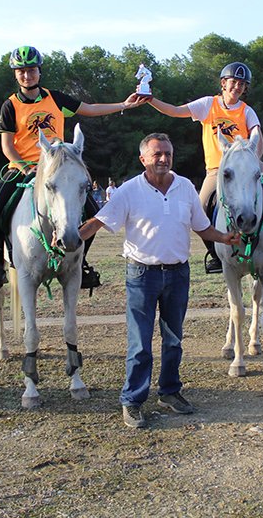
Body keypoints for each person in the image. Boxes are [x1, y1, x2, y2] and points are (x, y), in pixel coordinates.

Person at [79, 133, 239, 428]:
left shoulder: (185, 187)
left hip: (178, 274)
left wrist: (224, 237)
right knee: (140, 343)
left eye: (168, 153)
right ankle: (133, 400)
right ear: (143, 159)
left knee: (174, 339)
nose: (164, 159)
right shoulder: (128, 191)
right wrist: (72, 237)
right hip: (142, 274)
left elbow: (201, 227)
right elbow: (99, 221)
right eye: (157, 154)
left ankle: (169, 392)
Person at [0, 45, 146, 290]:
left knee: (92, 211)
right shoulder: (10, 106)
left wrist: (124, 105)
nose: (27, 75)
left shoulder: (55, 98)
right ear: (15, 74)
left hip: (57, 167)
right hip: (23, 169)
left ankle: (81, 262)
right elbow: (7, 147)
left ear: (39, 71)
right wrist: (26, 169)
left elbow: (90, 109)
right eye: (22, 71)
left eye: (32, 70)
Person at [147, 61, 263, 274]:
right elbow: (175, 111)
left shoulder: (247, 111)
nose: (238, 87)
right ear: (224, 83)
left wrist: (253, 163)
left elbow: (258, 140)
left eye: (242, 84)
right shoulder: (208, 105)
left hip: (249, 164)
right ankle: (216, 254)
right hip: (218, 169)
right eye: (234, 82)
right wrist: (150, 99)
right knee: (200, 207)